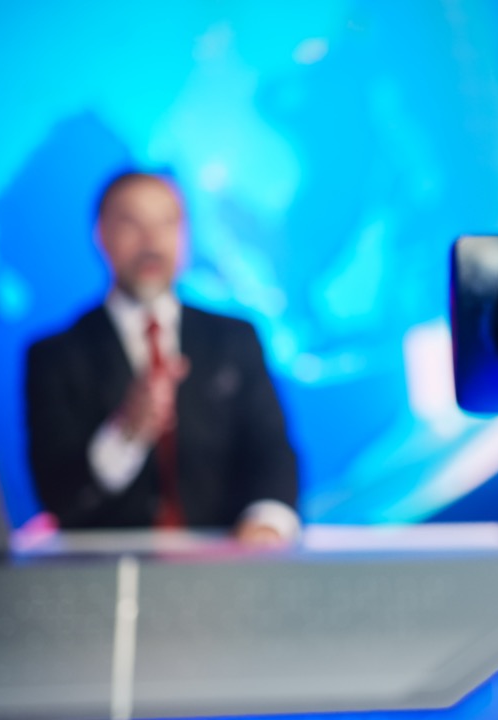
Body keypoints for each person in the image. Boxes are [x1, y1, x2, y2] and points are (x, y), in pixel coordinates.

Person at [25, 170, 299, 547]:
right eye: (132, 224)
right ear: (101, 235)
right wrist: (126, 433)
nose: (151, 242)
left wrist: (266, 522)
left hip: (223, 569)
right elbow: (61, 495)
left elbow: (271, 450)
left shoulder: (235, 339)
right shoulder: (56, 357)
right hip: (103, 577)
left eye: (167, 223)